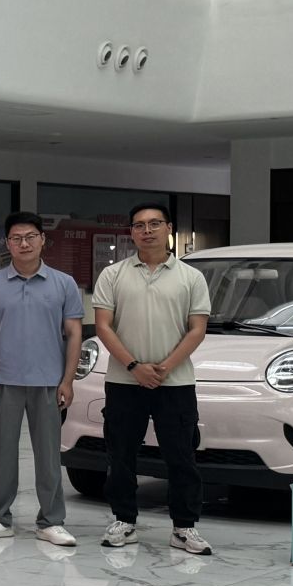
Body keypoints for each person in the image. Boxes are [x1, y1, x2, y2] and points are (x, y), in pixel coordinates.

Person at [92, 202, 213, 553]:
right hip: (124, 381)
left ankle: (184, 527)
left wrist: (164, 367)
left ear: (169, 228)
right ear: (131, 232)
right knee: (120, 454)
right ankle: (124, 521)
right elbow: (103, 326)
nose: (147, 230)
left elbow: (197, 329)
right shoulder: (113, 275)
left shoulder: (191, 277)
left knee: (181, 456)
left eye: (155, 223)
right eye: (139, 225)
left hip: (175, 382)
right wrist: (134, 367)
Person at [0, 211, 85, 546]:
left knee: (49, 457)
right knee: (2, 455)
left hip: (49, 382)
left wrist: (68, 381)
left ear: (42, 240)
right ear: (7, 244)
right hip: (2, 382)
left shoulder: (63, 284)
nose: (24, 243)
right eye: (17, 238)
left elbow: (74, 334)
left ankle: (51, 520)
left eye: (30, 237)